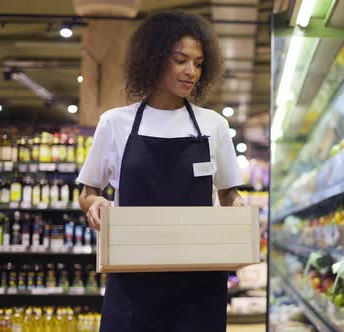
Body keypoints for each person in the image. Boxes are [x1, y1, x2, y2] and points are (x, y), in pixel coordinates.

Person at [77, 11, 245, 332]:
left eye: (198, 63)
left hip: (200, 280)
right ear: (154, 58)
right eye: (181, 60)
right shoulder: (115, 123)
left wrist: (238, 210)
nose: (191, 72)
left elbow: (228, 193)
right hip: (133, 277)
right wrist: (95, 204)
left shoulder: (214, 125)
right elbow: (89, 191)